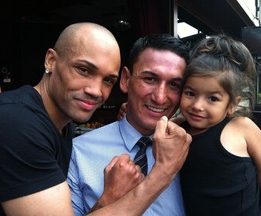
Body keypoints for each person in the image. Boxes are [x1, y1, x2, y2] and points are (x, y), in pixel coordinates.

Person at [0, 22, 191, 216]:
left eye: (107, 80)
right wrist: (162, 173)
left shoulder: (63, 129)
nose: (95, 91)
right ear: (50, 60)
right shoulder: (18, 123)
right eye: (83, 70)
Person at [67, 34, 191, 215]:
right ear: (125, 79)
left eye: (174, 85)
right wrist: (108, 199)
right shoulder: (78, 152)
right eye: (150, 79)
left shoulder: (195, 147)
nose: (160, 97)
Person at [179, 34, 261, 215]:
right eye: (190, 93)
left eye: (213, 98)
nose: (197, 106)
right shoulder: (179, 130)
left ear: (232, 105)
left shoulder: (242, 127)